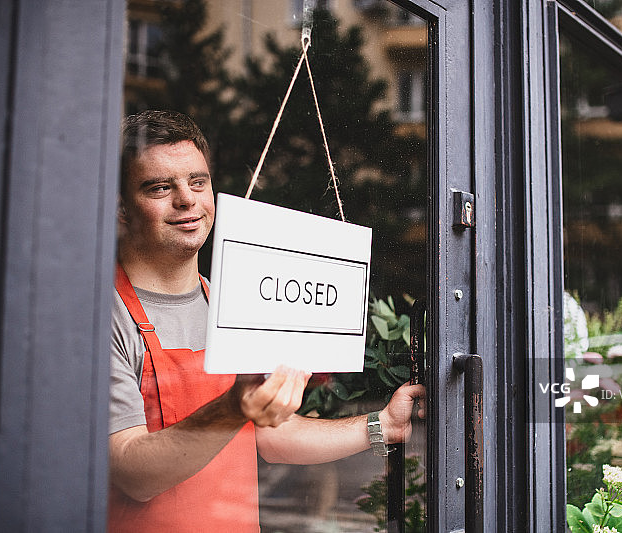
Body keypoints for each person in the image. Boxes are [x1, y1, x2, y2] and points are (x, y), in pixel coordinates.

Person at [108, 110, 426, 532]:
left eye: (198, 182)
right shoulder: (101, 313)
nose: (187, 199)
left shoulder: (230, 304)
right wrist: (233, 406)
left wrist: (382, 424)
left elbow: (270, 435)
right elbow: (133, 472)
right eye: (160, 187)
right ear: (122, 209)